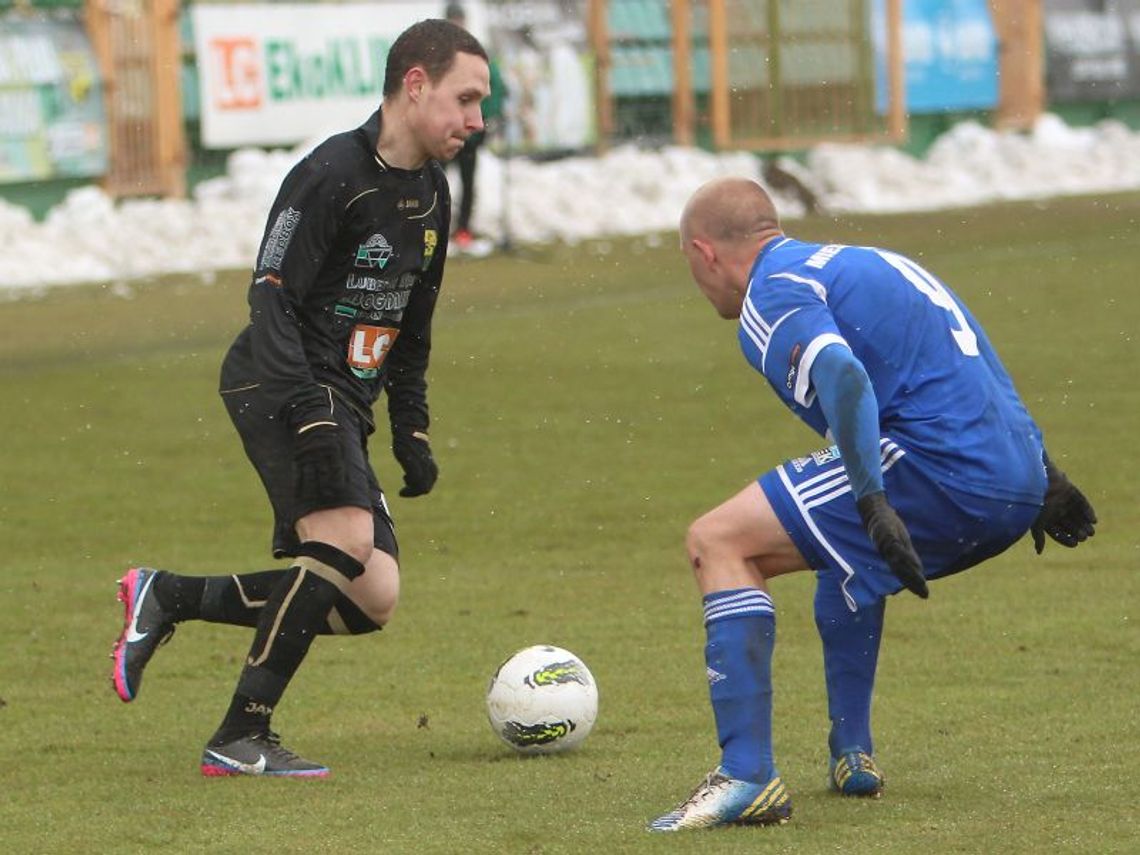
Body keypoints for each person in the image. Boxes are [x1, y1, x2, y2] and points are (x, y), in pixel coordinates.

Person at [649, 177, 1097, 831]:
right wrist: (1044, 476)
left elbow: (843, 374)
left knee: (718, 540)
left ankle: (746, 775)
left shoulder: (773, 292)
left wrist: (871, 499)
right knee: (839, 547)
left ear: (704, 253)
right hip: (1015, 479)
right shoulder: (871, 260)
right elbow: (971, 357)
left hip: (941, 475)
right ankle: (852, 751)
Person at [109, 19, 491, 777]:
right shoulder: (330, 173)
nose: (477, 119)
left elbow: (413, 325)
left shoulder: (432, 193)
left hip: (343, 397)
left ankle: (169, 593)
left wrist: (409, 426)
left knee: (371, 594)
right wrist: (308, 409)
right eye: (465, 99)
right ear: (415, 84)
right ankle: (239, 733)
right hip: (275, 380)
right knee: (346, 541)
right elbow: (270, 296)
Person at [444, 1, 505, 251]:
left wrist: (485, 122)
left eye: (460, 20)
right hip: (444, 133)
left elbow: (495, 89)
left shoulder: (476, 54)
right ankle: (435, 230)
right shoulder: (438, 56)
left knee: (468, 183)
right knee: (437, 183)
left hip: (469, 135)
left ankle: (463, 230)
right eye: (453, 20)